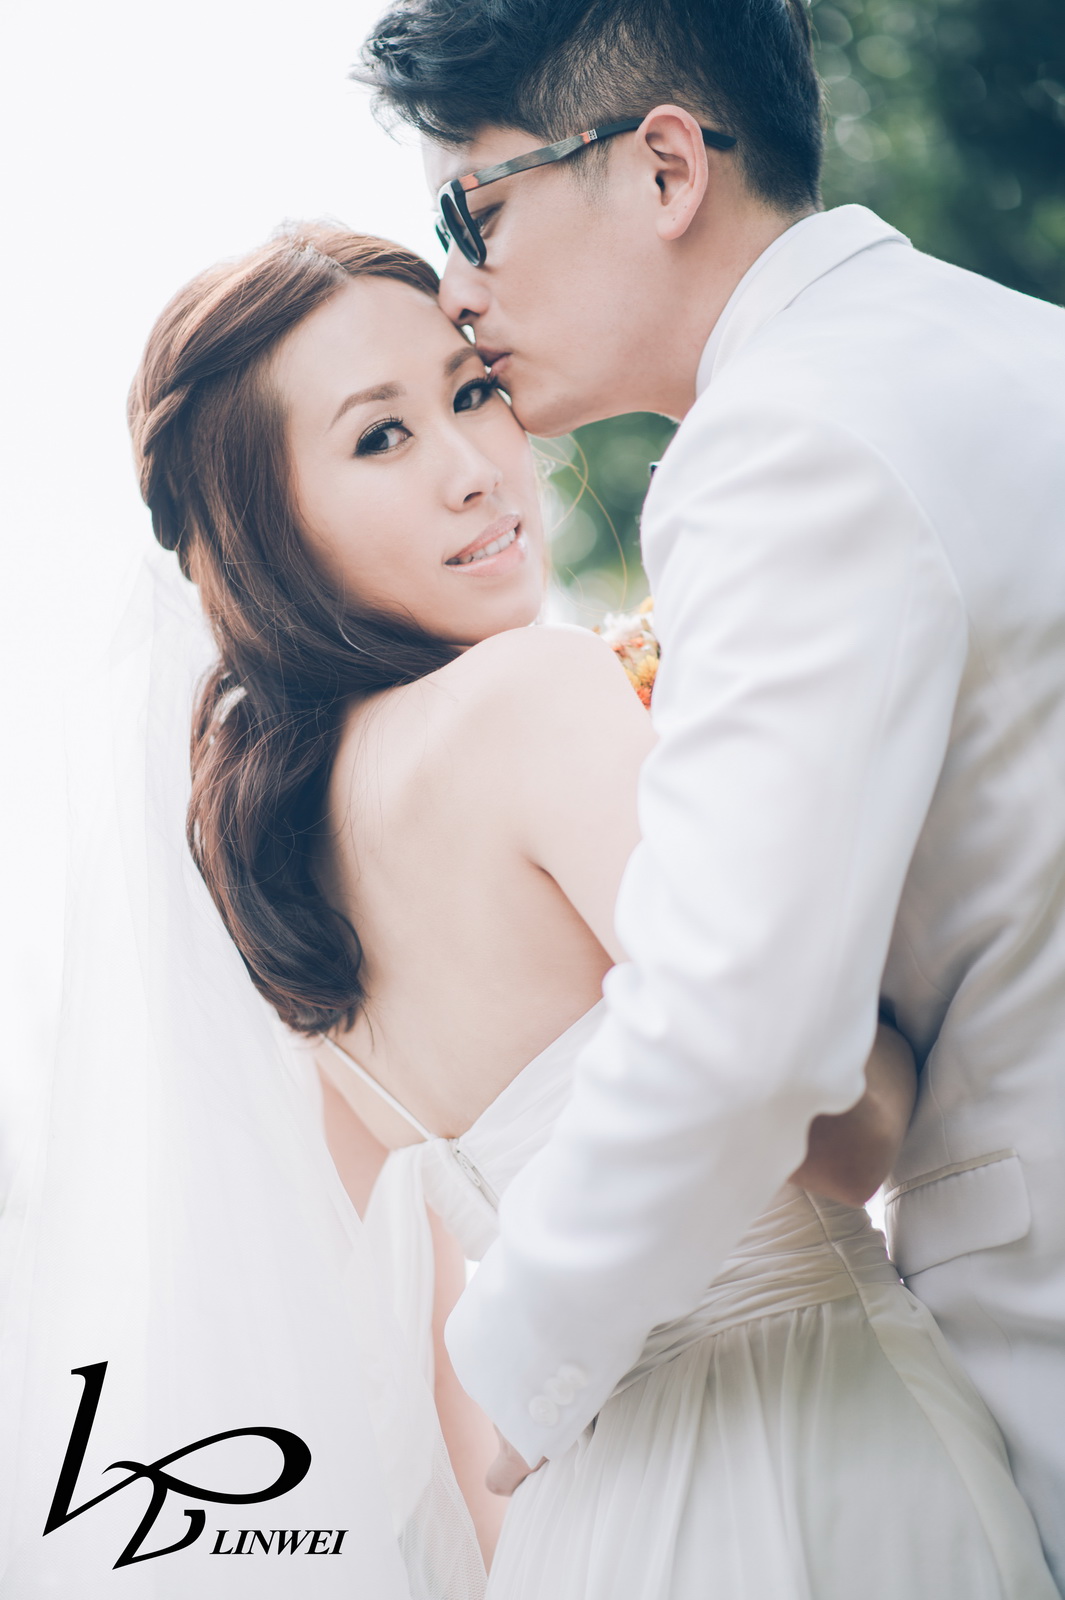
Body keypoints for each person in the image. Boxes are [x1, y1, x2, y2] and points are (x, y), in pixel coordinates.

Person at [128, 222, 1056, 1596]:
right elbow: (843, 1128)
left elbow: (438, 1373)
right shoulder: (534, 697)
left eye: (469, 391)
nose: (473, 468)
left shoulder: (282, 894)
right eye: (379, 439)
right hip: (814, 1453)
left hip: (580, 1537)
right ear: (268, 526)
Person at [357, 0, 1065, 1582]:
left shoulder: (783, 442)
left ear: (665, 165)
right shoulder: (1013, 345)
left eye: (472, 213)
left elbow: (742, 1026)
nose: (458, 291)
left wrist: (516, 1358)